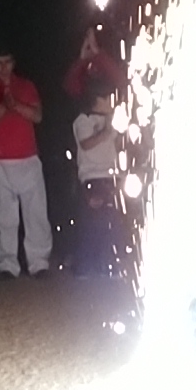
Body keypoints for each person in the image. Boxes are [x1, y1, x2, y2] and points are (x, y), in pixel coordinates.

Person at [0, 48, 51, 279]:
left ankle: (39, 263)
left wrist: (14, 104)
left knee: (36, 213)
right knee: (2, 216)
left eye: (7, 62)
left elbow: (37, 116)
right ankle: (7, 264)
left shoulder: (26, 86)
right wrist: (4, 105)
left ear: (14, 62)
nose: (4, 68)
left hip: (28, 157)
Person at [70, 79, 123, 279]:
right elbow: (86, 144)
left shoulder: (114, 120)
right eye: (108, 98)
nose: (112, 102)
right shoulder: (83, 120)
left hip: (112, 176)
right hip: (92, 177)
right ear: (97, 99)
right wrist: (106, 131)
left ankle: (108, 264)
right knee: (91, 223)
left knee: (111, 223)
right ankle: (84, 265)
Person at [62, 27, 125, 102]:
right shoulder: (82, 75)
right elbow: (70, 87)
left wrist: (98, 54)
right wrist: (82, 60)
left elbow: (121, 81)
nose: (90, 49)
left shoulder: (109, 72)